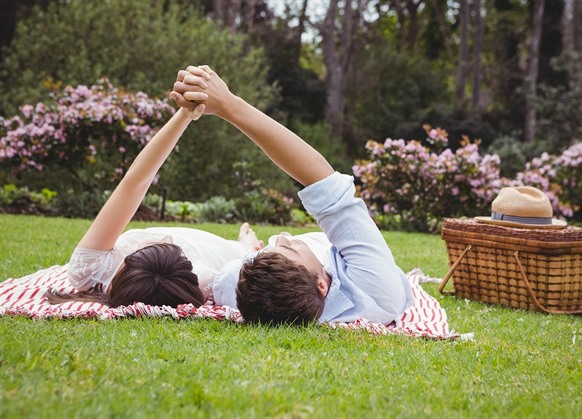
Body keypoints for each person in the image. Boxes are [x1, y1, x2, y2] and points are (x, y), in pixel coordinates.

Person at [170, 66, 414, 326]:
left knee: (246, 249)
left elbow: (199, 281)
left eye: (271, 249)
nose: (283, 236)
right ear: (322, 286)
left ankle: (248, 244)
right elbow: (325, 185)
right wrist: (229, 105)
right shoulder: (376, 290)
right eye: (290, 248)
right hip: (350, 263)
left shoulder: (236, 284)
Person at [46, 94, 265, 308]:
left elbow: (134, 185)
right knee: (244, 249)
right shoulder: (204, 278)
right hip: (229, 251)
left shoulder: (90, 270)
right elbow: (251, 275)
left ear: (127, 264)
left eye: (157, 244)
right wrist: (247, 250)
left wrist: (184, 114)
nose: (166, 235)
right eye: (170, 245)